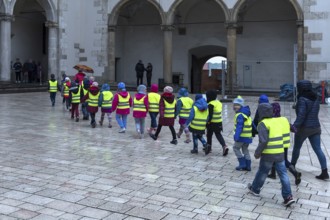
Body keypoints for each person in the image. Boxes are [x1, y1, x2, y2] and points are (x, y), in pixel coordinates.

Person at [248, 103, 295, 207]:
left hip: (268, 154)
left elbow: (263, 141)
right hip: (280, 152)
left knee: (263, 172)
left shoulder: (263, 124)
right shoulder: (277, 121)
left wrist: (257, 153)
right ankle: (288, 197)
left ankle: (255, 189)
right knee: (283, 174)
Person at [291, 80, 329, 180]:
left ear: (301, 88)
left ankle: (292, 166)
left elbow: (301, 115)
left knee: (296, 148)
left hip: (304, 128)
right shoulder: (315, 98)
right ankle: (325, 172)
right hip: (316, 127)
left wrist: (294, 126)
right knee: (318, 149)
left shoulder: (302, 99)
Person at [267, 103, 302, 185]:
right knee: (285, 160)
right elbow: (294, 129)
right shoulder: (284, 119)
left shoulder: (271, 121)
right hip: (285, 144)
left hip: (276, 143)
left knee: (273, 157)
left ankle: (273, 174)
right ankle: (295, 173)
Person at [232, 96, 252, 171]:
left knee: (236, 148)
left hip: (241, 136)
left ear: (241, 106)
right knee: (245, 149)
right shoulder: (246, 113)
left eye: (237, 105)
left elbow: (239, 126)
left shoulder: (240, 115)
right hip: (248, 136)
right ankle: (248, 165)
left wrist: (236, 136)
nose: (235, 106)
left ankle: (242, 163)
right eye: (234, 105)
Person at [206, 90, 228, 156]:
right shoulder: (218, 102)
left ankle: (209, 147)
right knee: (218, 134)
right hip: (219, 122)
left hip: (212, 122)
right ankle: (224, 146)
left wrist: (208, 122)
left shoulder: (211, 104)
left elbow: (210, 115)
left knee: (209, 135)